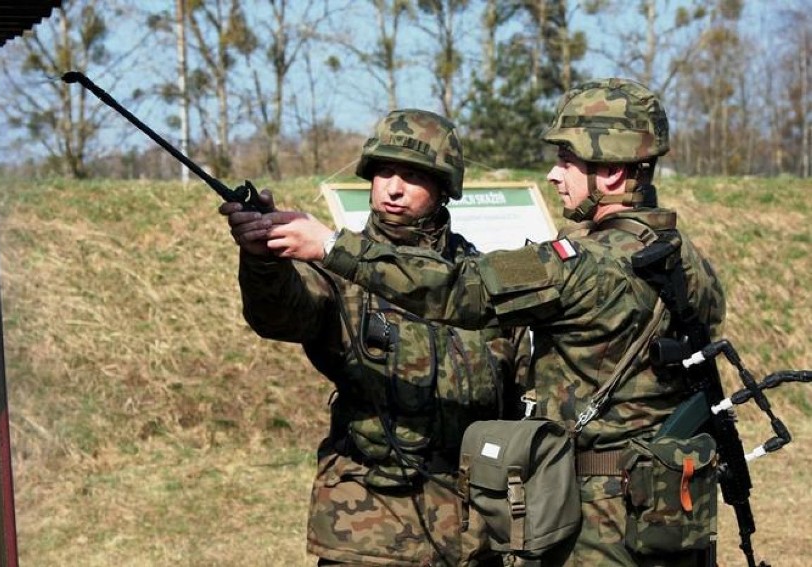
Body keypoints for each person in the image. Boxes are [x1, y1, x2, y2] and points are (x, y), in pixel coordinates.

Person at [248, 79, 726, 566]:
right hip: (669, 512)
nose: (554, 175)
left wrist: (332, 246)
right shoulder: (690, 261)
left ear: (613, 171)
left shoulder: (573, 264)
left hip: (595, 523)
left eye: (566, 160)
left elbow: (466, 286)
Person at [220, 109, 528, 566]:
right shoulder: (338, 267)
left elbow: (522, 390)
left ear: (445, 186)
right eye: (384, 172)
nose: (393, 188)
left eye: (411, 175)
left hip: (474, 532)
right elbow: (284, 313)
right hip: (366, 529)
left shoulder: (481, 283)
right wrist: (265, 259)